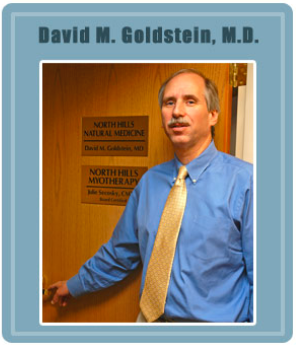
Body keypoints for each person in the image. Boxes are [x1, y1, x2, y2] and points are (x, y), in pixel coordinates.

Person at [49, 69, 253, 323]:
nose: (177, 111)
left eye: (190, 101)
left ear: (213, 115)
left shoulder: (247, 182)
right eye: (169, 103)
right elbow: (120, 252)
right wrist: (75, 285)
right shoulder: (150, 182)